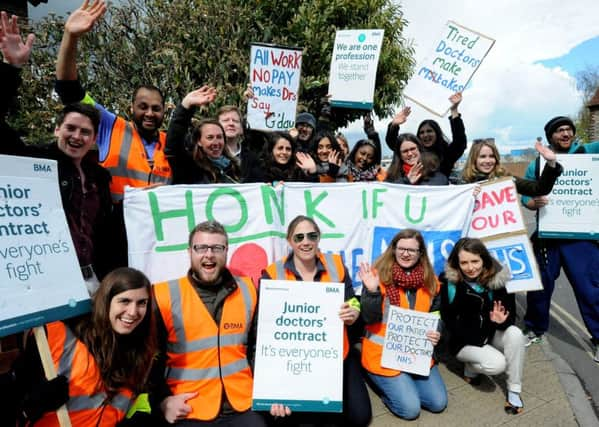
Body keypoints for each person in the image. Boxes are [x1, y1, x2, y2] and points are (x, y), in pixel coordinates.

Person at [0, 13, 113, 292]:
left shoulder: (99, 177)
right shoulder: (35, 163)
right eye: (70, 128)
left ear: (93, 138)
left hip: (95, 279)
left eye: (85, 132)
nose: (77, 137)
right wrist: (10, 69)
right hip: (48, 279)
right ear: (56, 129)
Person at [54, 0, 172, 202]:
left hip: (156, 231)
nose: (150, 113)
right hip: (114, 228)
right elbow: (69, 90)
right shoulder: (111, 126)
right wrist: (71, 37)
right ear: (131, 107)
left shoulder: (170, 142)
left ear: (164, 112)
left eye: (156, 108)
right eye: (143, 107)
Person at [150, 221, 266, 426]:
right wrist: (163, 401)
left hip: (243, 405)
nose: (209, 254)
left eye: (217, 248)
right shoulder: (163, 295)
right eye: (201, 248)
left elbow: (260, 349)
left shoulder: (248, 289)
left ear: (226, 251)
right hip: (190, 409)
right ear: (189, 252)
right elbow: (151, 361)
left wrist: (271, 393)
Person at [11, 267, 157, 426]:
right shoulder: (57, 335)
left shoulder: (141, 351)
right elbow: (15, 397)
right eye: (125, 301)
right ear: (106, 301)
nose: (133, 312)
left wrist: (140, 416)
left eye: (142, 303)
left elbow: (137, 401)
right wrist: (32, 405)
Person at [263, 215, 372, 427]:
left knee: (360, 417)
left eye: (312, 236)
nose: (306, 242)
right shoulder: (272, 273)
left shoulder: (336, 265)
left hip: (336, 354)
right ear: (289, 241)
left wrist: (354, 312)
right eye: (299, 237)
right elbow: (266, 327)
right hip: (293, 357)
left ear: (319, 238)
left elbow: (352, 299)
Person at [521, 116, 599, 361]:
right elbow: (526, 194)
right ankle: (535, 327)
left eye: (569, 130)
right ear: (550, 136)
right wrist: (531, 202)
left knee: (590, 289)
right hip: (548, 236)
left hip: (581, 237)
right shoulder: (536, 163)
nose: (565, 134)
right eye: (559, 131)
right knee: (539, 286)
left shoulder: (588, 153)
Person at [359, 229, 447, 420]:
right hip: (381, 356)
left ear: (420, 253)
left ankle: (404, 384)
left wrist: (437, 331)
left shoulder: (431, 282)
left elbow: (436, 315)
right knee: (410, 410)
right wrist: (372, 292)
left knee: (438, 403)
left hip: (417, 355)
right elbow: (368, 318)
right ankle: (382, 383)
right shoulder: (377, 277)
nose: (406, 254)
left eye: (412, 250)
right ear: (394, 249)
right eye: (402, 248)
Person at [440, 238, 527, 414]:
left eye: (475, 261)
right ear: (456, 263)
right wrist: (481, 334)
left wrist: (502, 321)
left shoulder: (498, 279)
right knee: (497, 364)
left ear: (484, 260)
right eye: (464, 262)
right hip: (464, 341)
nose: (470, 267)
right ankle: (470, 367)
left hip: (491, 333)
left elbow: (509, 315)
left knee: (516, 333)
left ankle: (514, 391)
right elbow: (449, 320)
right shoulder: (450, 283)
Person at [166, 86, 242, 184]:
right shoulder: (188, 167)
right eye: (210, 137)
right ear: (199, 141)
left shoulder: (232, 167)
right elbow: (173, 144)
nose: (216, 142)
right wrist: (186, 106)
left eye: (219, 137)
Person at [386, 93, 466, 178]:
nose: (425, 135)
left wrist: (454, 111)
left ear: (437, 133)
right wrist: (394, 125)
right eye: (422, 132)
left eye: (429, 131)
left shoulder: (446, 154)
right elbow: (393, 144)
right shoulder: (414, 152)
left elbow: (460, 142)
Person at [460, 139, 562, 196]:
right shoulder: (463, 183)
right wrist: (469, 197)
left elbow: (539, 189)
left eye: (492, 156)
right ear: (474, 159)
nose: (488, 161)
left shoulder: (504, 179)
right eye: (482, 157)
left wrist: (551, 162)